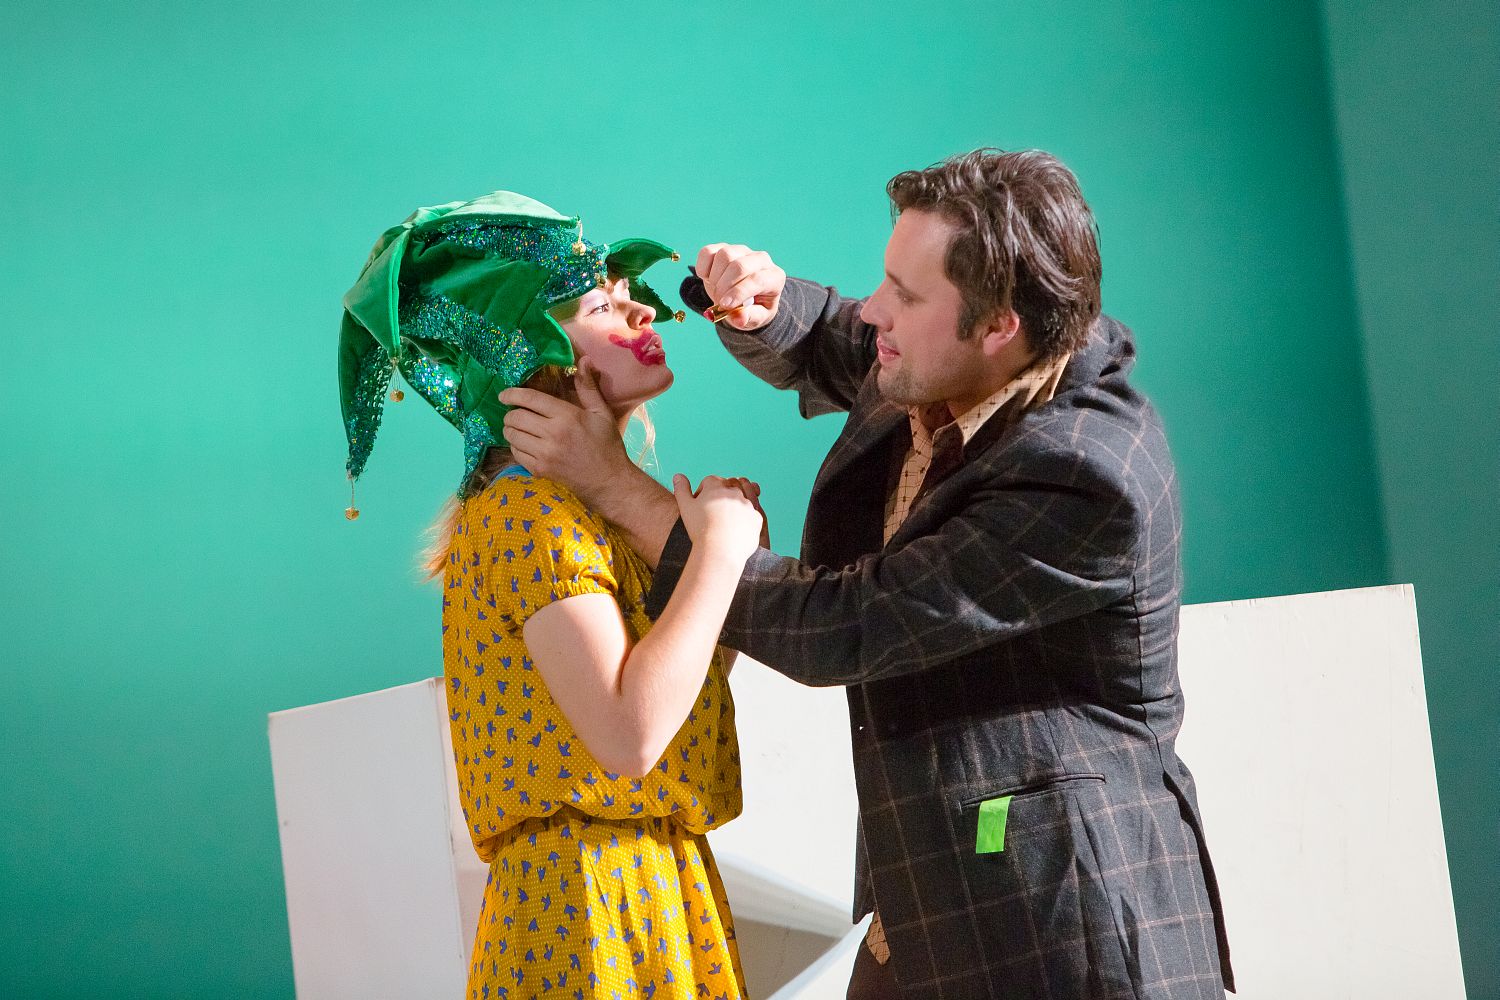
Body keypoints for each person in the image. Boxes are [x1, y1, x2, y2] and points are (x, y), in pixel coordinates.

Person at [498, 150, 1236, 1000]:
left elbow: (844, 625)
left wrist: (622, 491)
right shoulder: (957, 359)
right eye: (886, 277)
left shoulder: (1084, 475)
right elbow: (845, 338)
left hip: (1061, 928)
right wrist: (768, 304)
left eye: (906, 295)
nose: (875, 308)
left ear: (1000, 325)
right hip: (922, 910)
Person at [337, 191, 762, 1000]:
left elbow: (683, 687)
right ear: (528, 359)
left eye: (627, 293)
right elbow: (630, 735)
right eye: (601, 305)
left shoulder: (588, 513)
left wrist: (719, 556)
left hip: (654, 887)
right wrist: (717, 552)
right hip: (584, 903)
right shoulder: (527, 515)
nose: (642, 310)